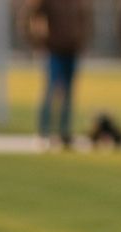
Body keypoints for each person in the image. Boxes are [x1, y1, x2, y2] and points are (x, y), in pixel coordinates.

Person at [19, 0, 92, 150]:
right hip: (54, 50)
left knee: (68, 94)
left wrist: (82, 41)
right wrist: (36, 40)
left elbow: (86, 20)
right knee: (51, 91)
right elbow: (29, 15)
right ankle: (44, 133)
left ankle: (64, 133)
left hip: (72, 50)